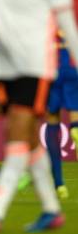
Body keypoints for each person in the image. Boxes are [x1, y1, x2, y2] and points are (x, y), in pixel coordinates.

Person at [0, 0, 78, 232]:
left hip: (34, 65)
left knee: (16, 137)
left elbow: (67, 23)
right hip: (6, 68)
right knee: (30, 139)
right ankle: (51, 210)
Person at [45, 30, 78, 199]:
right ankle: (75, 129)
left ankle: (59, 184)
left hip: (51, 65)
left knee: (52, 120)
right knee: (75, 112)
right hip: (72, 62)